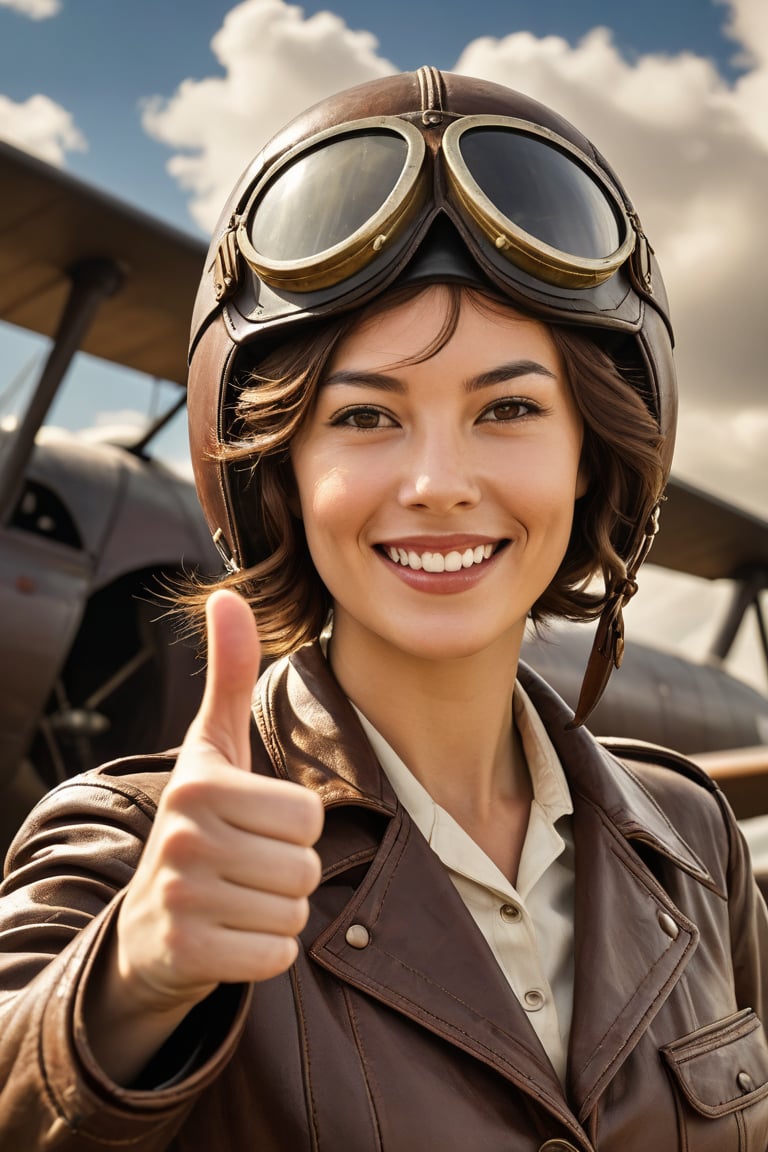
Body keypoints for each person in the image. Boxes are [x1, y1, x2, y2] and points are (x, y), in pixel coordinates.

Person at [0, 66, 766, 1152]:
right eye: (365, 417)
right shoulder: (132, 848)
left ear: (593, 458)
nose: (438, 481)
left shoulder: (693, 840)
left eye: (508, 407)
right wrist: (127, 987)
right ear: (277, 473)